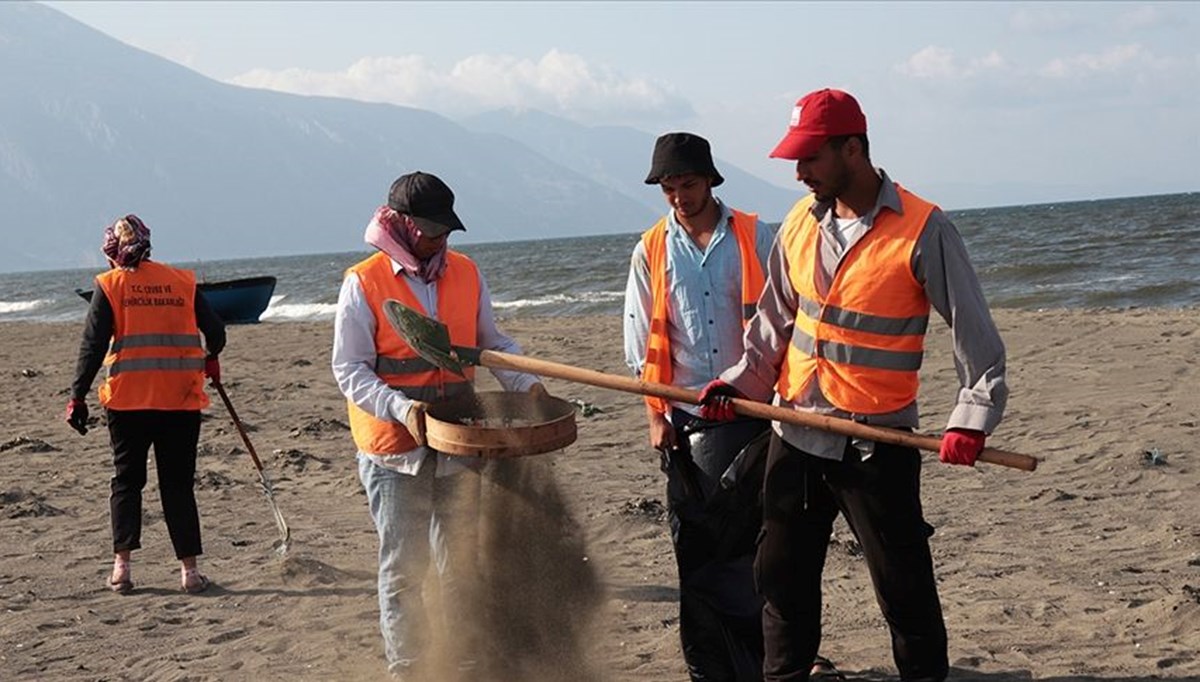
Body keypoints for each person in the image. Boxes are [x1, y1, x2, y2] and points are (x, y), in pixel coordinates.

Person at [697, 88, 1008, 681]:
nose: (799, 171)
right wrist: (737, 386)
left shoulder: (923, 228)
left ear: (853, 149)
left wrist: (971, 416)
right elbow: (774, 324)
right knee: (780, 580)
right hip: (797, 429)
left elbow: (977, 336)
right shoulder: (798, 223)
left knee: (903, 587)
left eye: (811, 157)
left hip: (876, 444)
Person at [625, 132, 838, 681]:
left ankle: (780, 660)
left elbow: (788, 321)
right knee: (698, 550)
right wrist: (656, 418)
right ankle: (715, 667)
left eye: (688, 185)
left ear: (711, 180)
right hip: (688, 415)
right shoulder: (651, 250)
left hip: (755, 411)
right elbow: (641, 346)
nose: (679, 198)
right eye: (669, 189)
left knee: (767, 546)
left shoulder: (754, 235)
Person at [332, 171, 549, 680]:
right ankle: (409, 670)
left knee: (458, 564)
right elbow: (349, 369)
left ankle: (464, 663)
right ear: (402, 225)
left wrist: (528, 387)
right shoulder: (363, 282)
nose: (439, 240)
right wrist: (401, 408)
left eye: (445, 230)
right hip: (394, 451)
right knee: (404, 570)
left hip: (459, 438)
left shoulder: (466, 273)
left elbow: (492, 343)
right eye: (430, 230)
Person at [67, 214, 226, 595]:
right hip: (180, 400)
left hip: (128, 401)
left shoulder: (110, 285)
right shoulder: (182, 281)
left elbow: (92, 347)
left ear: (111, 252)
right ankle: (189, 572)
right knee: (177, 485)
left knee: (127, 482)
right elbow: (216, 331)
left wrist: (77, 396)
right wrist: (212, 355)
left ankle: (122, 569)